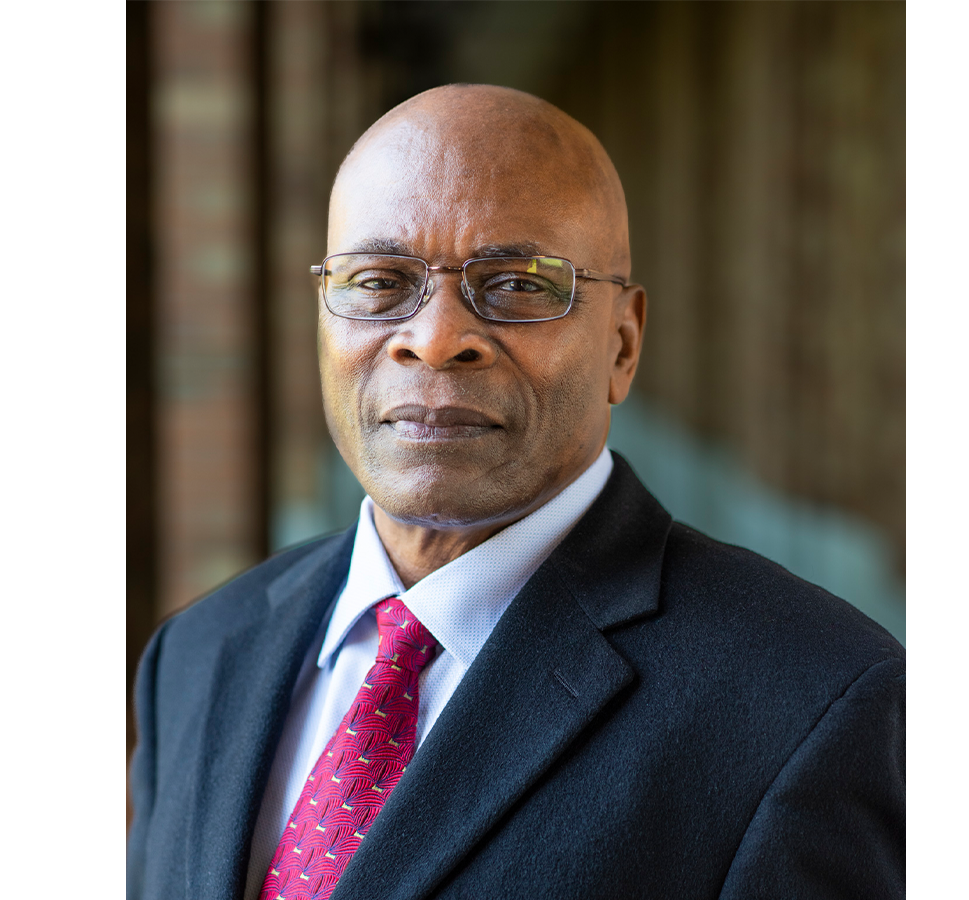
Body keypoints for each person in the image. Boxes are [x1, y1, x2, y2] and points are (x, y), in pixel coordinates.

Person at [127, 84, 904, 900]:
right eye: (378, 279)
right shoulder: (199, 654)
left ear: (624, 345)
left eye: (520, 284)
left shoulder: (812, 703)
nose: (433, 340)